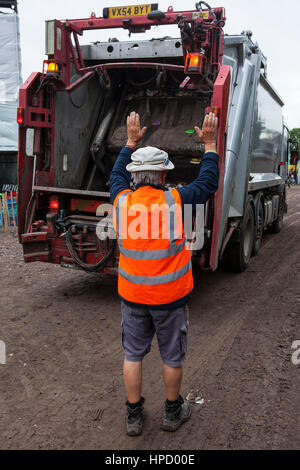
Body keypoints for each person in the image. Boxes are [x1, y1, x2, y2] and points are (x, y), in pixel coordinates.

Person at [110, 111, 219, 436]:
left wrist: (130, 142)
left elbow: (116, 174)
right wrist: (210, 145)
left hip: (132, 297)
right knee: (171, 356)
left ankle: (133, 416)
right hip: (170, 299)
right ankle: (173, 412)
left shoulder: (121, 203)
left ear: (135, 176)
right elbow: (207, 183)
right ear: (162, 175)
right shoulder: (175, 200)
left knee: (133, 354)